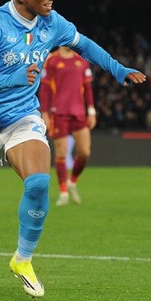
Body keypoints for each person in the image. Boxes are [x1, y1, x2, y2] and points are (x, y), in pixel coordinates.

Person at [0, 0, 146, 301]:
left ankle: (22, 259)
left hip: (23, 117)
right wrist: (10, 79)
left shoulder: (52, 23)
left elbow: (84, 45)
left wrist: (118, 69)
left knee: (39, 182)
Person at [39, 46, 96, 206]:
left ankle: (72, 182)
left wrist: (91, 111)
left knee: (85, 152)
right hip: (58, 112)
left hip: (79, 112)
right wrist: (44, 112)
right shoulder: (51, 60)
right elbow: (45, 88)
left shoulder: (82, 60)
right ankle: (63, 192)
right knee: (61, 153)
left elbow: (88, 88)